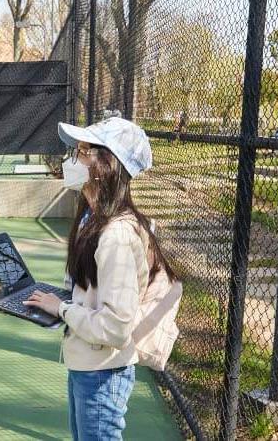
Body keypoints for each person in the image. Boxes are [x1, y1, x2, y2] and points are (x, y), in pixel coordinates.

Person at [24, 117, 175, 440]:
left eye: (82, 151)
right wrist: (58, 303)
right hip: (87, 363)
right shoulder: (92, 218)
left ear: (106, 164)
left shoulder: (117, 235)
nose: (73, 160)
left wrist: (62, 310)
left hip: (103, 371)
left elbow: (116, 327)